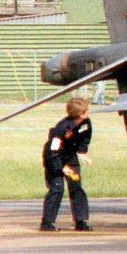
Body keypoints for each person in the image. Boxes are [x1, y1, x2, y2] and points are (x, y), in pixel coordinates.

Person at [40, 97, 94, 231]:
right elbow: (53, 150)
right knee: (57, 188)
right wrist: (61, 167)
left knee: (76, 187)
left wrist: (82, 152)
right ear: (80, 114)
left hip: (70, 158)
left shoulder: (85, 123)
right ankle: (47, 223)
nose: (89, 112)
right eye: (87, 110)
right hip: (54, 159)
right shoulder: (61, 128)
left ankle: (80, 221)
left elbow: (85, 137)